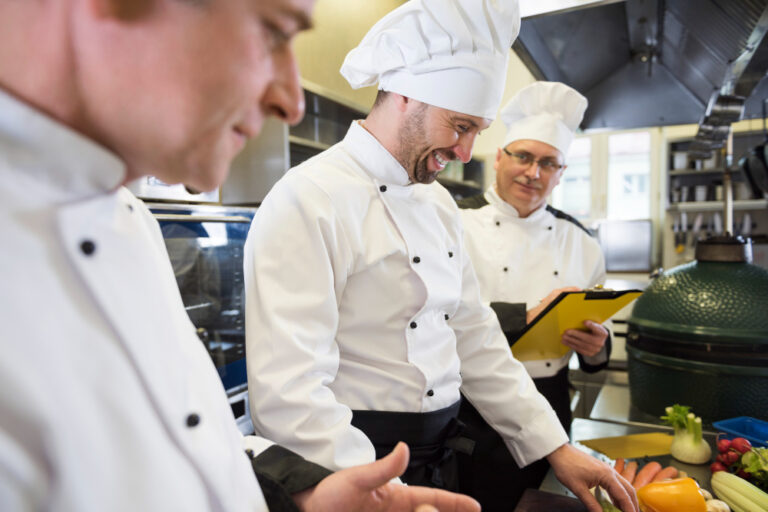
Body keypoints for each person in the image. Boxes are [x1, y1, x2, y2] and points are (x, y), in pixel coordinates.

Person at [0, 1, 483, 511]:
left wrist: (299, 499)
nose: (292, 102)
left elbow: (190, 449)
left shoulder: (129, 220)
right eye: (272, 34)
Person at [244, 2, 638, 511]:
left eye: (478, 130)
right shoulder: (309, 198)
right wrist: (383, 494)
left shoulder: (438, 203)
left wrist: (555, 446)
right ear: (407, 95)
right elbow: (290, 393)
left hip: (443, 462)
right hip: (354, 465)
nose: (468, 151)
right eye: (461, 125)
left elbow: (475, 338)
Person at [456, 81, 612, 510]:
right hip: (470, 411)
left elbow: (600, 353)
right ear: (498, 158)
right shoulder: (453, 224)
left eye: (549, 163)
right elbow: (439, 321)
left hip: (552, 403)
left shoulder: (583, 242)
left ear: (561, 174)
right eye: (523, 156)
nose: (533, 172)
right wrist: (529, 315)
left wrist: (597, 347)